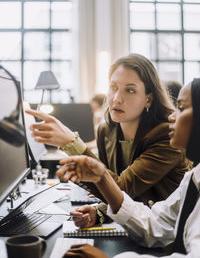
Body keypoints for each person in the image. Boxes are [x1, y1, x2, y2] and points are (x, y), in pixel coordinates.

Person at [26, 54, 191, 227]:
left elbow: (122, 189)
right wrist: (99, 212)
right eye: (113, 87)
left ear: (148, 99)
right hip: (138, 226)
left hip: (168, 233)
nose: (116, 98)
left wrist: (72, 143)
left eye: (130, 90)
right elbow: (108, 191)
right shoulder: (107, 131)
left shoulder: (166, 136)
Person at [58, 78, 200, 258]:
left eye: (181, 108)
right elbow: (154, 225)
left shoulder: (161, 139)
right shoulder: (194, 177)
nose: (172, 116)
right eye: (113, 88)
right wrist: (102, 178)